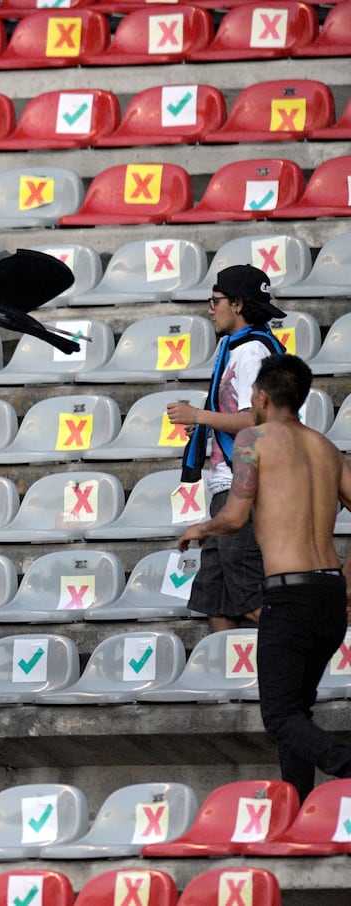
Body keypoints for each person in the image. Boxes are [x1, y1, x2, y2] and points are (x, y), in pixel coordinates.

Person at [179, 355, 351, 801]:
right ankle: (298, 807)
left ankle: (346, 766)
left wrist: (202, 527)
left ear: (260, 397)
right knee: (296, 711)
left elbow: (234, 517)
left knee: (278, 716)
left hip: (289, 595)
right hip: (329, 593)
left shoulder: (253, 438)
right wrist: (347, 577)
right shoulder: (326, 447)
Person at [167, 265, 286, 633]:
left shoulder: (251, 351)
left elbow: (257, 420)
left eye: (215, 301)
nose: (209, 308)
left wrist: (200, 414)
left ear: (237, 304)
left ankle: (300, 645)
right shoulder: (232, 345)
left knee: (249, 598)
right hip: (225, 484)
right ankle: (233, 687)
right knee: (215, 599)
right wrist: (204, 421)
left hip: (245, 486)